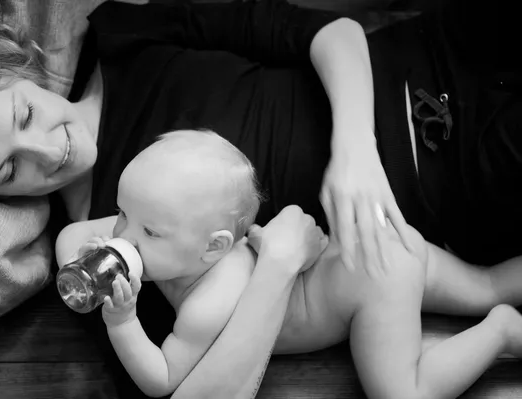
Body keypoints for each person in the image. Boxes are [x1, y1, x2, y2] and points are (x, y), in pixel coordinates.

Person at [0, 0, 521, 397]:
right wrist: (280, 264)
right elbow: (195, 384)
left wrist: (355, 149)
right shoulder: (114, 253)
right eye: (7, 170)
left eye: (24, 113)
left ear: (20, 71)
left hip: (421, 60)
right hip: (454, 191)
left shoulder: (126, 38)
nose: (44, 150)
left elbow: (330, 33)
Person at [57, 129, 522, 399]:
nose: (121, 236)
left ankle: (499, 331)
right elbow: (85, 236)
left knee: (405, 393)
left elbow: (161, 381)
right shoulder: (184, 245)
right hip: (370, 244)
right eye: (121, 213)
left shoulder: (207, 304)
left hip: (369, 288)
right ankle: (500, 302)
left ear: (215, 248)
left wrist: (122, 322)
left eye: (148, 232)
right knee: (487, 283)